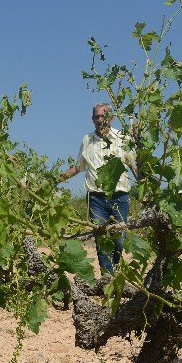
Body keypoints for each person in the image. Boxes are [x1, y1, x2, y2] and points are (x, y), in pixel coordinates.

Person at [60, 103, 137, 276]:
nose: (100, 119)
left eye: (103, 116)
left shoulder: (123, 137)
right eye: (97, 116)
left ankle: (115, 271)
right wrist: (56, 180)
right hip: (96, 199)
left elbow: (134, 164)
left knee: (119, 239)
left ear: (111, 118)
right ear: (92, 119)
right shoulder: (87, 140)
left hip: (119, 196)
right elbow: (79, 166)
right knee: (102, 239)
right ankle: (107, 279)